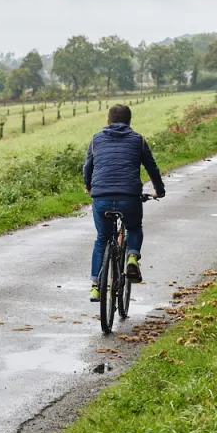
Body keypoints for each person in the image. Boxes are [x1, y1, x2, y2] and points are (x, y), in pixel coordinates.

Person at [83, 103, 165, 301]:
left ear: (108, 120)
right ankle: (132, 257)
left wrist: (89, 188)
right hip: (129, 197)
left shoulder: (96, 139)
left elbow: (88, 167)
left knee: (102, 238)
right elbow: (152, 168)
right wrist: (159, 191)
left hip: (101, 197)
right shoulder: (138, 140)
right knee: (134, 227)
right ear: (129, 121)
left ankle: (95, 285)